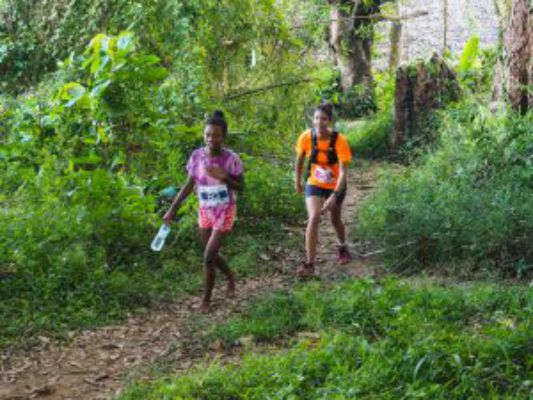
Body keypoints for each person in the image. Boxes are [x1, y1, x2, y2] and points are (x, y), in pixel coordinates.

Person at [164, 110, 244, 313]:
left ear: (223, 137)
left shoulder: (231, 159)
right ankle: (231, 276)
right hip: (205, 209)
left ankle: (206, 300)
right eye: (208, 135)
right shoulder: (197, 156)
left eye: (216, 135)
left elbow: (241, 187)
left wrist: (224, 177)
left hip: (225, 209)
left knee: (208, 255)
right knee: (212, 254)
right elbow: (189, 185)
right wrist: (172, 209)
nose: (211, 139)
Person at [294, 101, 352, 278]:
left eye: (324, 119)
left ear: (330, 121)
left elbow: (343, 173)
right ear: (313, 119)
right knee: (314, 217)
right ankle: (310, 264)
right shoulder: (306, 137)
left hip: (336, 185)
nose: (320, 122)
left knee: (335, 219)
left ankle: (342, 246)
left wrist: (334, 195)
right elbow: (300, 160)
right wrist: (297, 180)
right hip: (315, 182)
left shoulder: (340, 140)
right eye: (317, 118)